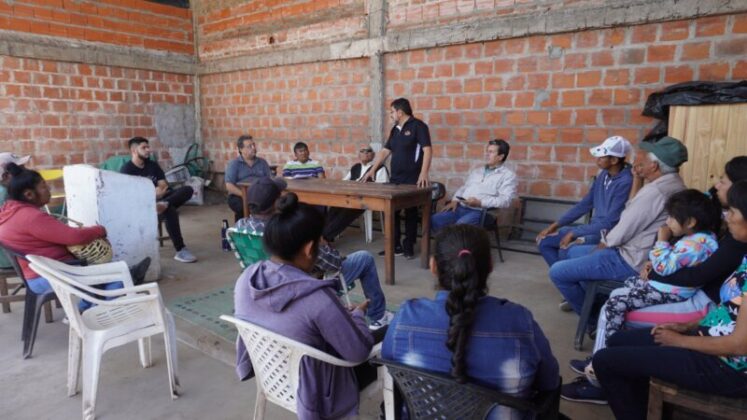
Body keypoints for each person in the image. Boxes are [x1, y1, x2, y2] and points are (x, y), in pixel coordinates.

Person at [562, 156, 747, 405]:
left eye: (724, 182)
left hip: (702, 314)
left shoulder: (730, 242)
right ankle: (603, 365)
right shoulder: (720, 231)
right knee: (617, 313)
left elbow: (696, 278)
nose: (717, 185)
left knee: (616, 309)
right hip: (701, 313)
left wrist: (682, 337)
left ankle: (602, 374)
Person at [382, 224, 558, 419]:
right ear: (490, 266)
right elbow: (549, 382)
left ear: (433, 266)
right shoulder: (521, 322)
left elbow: (389, 363)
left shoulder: (406, 318)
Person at [233, 192, 376, 419]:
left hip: (273, 375)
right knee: (384, 343)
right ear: (310, 249)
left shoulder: (246, 279)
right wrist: (358, 315)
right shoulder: (318, 298)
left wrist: (338, 316)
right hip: (320, 391)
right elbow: (358, 352)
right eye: (321, 243)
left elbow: (295, 320)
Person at [549, 136, 688, 315]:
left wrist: (602, 246)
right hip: (637, 252)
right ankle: (591, 299)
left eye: (644, 161)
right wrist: (637, 179)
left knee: (558, 271)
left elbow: (624, 226)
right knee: (572, 252)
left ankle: (592, 318)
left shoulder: (655, 191)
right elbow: (632, 209)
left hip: (629, 259)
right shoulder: (675, 184)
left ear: (654, 166)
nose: (639, 164)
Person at [236, 177, 393, 329]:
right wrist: (323, 244)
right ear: (276, 203)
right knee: (365, 258)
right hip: (307, 286)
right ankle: (378, 316)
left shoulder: (240, 227)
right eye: (281, 195)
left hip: (266, 286)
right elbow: (333, 264)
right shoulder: (290, 231)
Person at [0, 164, 150, 302]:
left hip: (42, 272)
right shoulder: (30, 217)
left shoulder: (10, 212)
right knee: (118, 278)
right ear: (29, 194)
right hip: (49, 276)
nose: (49, 189)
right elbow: (74, 237)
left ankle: (89, 308)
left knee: (111, 272)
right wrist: (99, 230)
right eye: (44, 186)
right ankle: (90, 313)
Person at [603, 189, 721, 342]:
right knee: (631, 283)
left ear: (691, 222)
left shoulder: (693, 246)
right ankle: (623, 330)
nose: (668, 222)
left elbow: (663, 268)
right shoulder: (704, 238)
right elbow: (673, 262)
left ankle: (613, 342)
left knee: (615, 303)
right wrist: (653, 263)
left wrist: (662, 241)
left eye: (672, 217)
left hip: (671, 293)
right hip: (670, 288)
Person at [536, 136, 634, 269]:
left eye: (602, 157)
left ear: (614, 160)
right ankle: (565, 275)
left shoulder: (626, 182)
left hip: (606, 234)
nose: (597, 160)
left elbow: (610, 222)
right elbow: (585, 204)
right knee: (544, 241)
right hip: (593, 228)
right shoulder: (603, 175)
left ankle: (567, 275)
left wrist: (574, 233)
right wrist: (556, 224)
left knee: (566, 249)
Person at [363, 98, 432, 259]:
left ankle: (408, 246)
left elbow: (427, 150)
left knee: (411, 212)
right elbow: (385, 151)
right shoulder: (395, 130)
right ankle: (394, 246)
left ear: (400, 112)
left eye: (392, 112)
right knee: (391, 211)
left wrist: (424, 173)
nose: (391, 115)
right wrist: (372, 170)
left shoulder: (419, 126)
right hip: (395, 178)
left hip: (412, 179)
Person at [120, 137, 196, 263]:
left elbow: (163, 185)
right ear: (134, 150)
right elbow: (128, 196)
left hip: (160, 199)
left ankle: (164, 204)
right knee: (170, 210)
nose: (148, 150)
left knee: (187, 189)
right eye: (144, 148)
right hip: (142, 205)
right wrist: (151, 194)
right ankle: (180, 250)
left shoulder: (152, 165)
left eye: (148, 147)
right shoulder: (127, 170)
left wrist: (160, 194)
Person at [430, 139, 517, 233]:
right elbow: (464, 188)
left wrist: (480, 202)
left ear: (500, 157)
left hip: (483, 213)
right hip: (461, 208)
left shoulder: (508, 175)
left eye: (491, 152)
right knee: (435, 220)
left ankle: (458, 241)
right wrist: (454, 200)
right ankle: (449, 241)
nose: (486, 154)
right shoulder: (477, 171)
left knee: (460, 227)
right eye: (487, 151)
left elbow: (505, 201)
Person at [322, 144, 389, 242]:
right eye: (362, 151)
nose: (365, 153)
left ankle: (325, 238)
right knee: (334, 208)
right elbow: (344, 181)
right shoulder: (356, 167)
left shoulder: (379, 168)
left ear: (373, 155)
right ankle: (321, 234)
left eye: (368, 151)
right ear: (359, 155)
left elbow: (383, 188)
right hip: (351, 198)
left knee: (345, 214)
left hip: (366, 200)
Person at [224, 135, 272, 222]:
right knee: (242, 207)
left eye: (254, 145)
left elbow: (269, 181)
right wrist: (245, 195)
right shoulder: (234, 164)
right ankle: (241, 228)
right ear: (241, 149)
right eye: (249, 146)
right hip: (239, 195)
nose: (253, 148)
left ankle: (264, 228)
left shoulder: (262, 162)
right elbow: (229, 186)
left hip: (259, 195)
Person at [0, 153, 31, 269]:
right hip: (11, 257)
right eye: (20, 169)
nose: (25, 171)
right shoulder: (7, 195)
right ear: (6, 176)